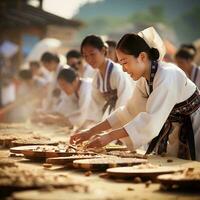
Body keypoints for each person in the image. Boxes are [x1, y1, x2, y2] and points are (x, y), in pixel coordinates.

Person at [70, 27, 200, 161]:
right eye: (121, 64)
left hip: (195, 127)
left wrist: (110, 136)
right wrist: (90, 132)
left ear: (142, 57)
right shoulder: (145, 80)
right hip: (177, 130)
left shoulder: (167, 75)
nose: (124, 70)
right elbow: (128, 112)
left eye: (125, 62)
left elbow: (150, 121)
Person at [81, 35, 133, 122]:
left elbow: (124, 103)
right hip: (115, 116)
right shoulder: (96, 78)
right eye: (85, 56)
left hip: (130, 116)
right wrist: (86, 125)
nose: (89, 59)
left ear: (103, 50)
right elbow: (95, 105)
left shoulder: (117, 73)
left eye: (92, 54)